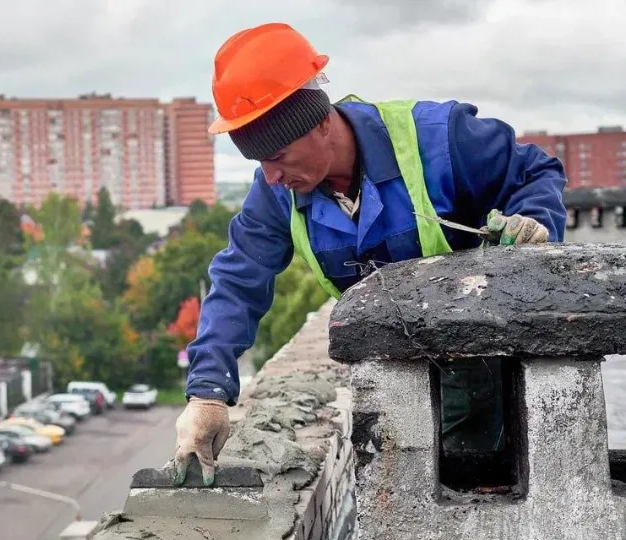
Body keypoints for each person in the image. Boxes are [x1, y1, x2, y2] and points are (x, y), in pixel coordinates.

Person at [171, 22, 567, 486]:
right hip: (389, 386)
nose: (271, 176)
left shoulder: (438, 140)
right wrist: (208, 393)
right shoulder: (276, 192)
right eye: (259, 162)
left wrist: (535, 221)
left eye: (277, 155)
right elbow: (239, 280)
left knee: (484, 493)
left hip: (485, 375)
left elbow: (534, 172)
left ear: (321, 122)